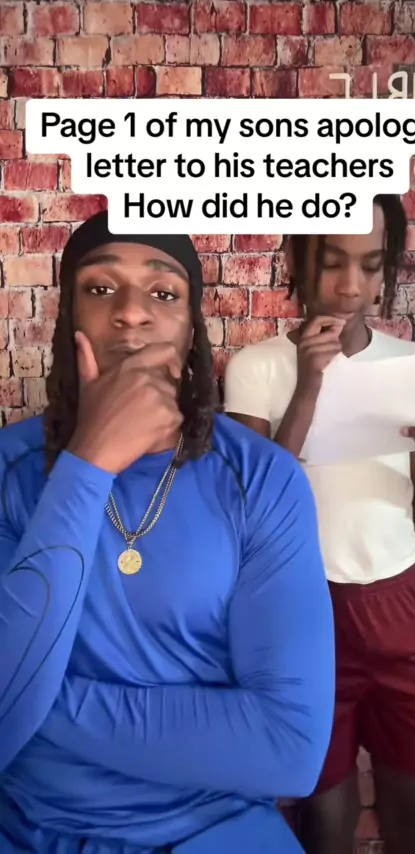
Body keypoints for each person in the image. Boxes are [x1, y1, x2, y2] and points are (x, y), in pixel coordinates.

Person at [0, 211, 335, 854]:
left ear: (191, 329)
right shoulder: (9, 471)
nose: (131, 312)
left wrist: (34, 700)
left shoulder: (261, 479)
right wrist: (88, 465)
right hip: (32, 827)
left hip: (217, 831)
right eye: (100, 288)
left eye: (163, 292)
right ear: (68, 316)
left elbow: (288, 749)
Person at [223, 194, 415, 854]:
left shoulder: (408, 364)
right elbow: (253, 514)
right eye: (332, 262)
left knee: (413, 807)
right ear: (297, 262)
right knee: (324, 810)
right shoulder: (257, 368)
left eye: (370, 265)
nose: (350, 286)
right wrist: (311, 385)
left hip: (401, 603)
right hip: (307, 609)